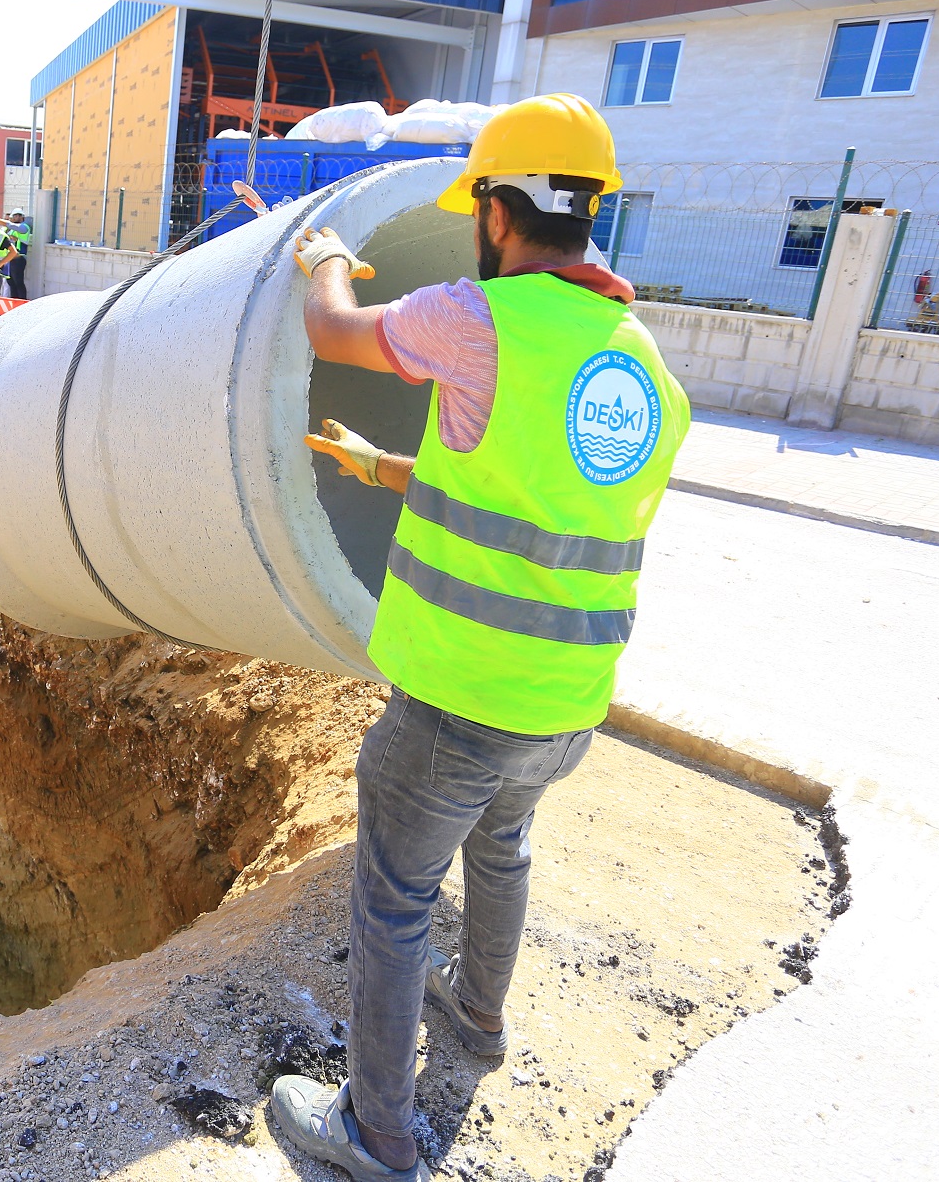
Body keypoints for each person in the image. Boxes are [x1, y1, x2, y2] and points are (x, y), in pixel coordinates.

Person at [268, 93, 691, 1182]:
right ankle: (479, 1020)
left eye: (476, 210)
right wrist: (383, 467)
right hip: (564, 707)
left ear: (498, 214)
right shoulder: (638, 362)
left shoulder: (476, 317)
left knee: (393, 899)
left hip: (459, 700)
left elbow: (332, 331)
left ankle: (374, 1131)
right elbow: (528, 494)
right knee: (500, 847)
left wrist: (325, 255)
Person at [3, 211, 32, 300]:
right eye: (14, 216)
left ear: (22, 217)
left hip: (19, 258)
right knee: (11, 283)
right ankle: (14, 303)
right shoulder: (11, 229)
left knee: (18, 282)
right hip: (10, 258)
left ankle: (22, 303)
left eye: (17, 215)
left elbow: (17, 230)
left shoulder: (24, 227)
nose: (15, 217)